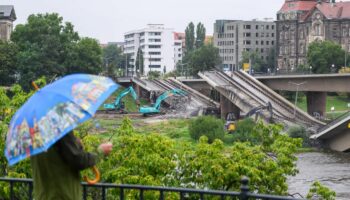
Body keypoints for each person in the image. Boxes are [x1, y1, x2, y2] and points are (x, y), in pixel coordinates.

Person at [31, 131, 113, 200]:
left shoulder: (34, 132)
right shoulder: (60, 129)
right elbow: (78, 159)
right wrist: (100, 152)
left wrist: (74, 145)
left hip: (42, 195)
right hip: (63, 195)